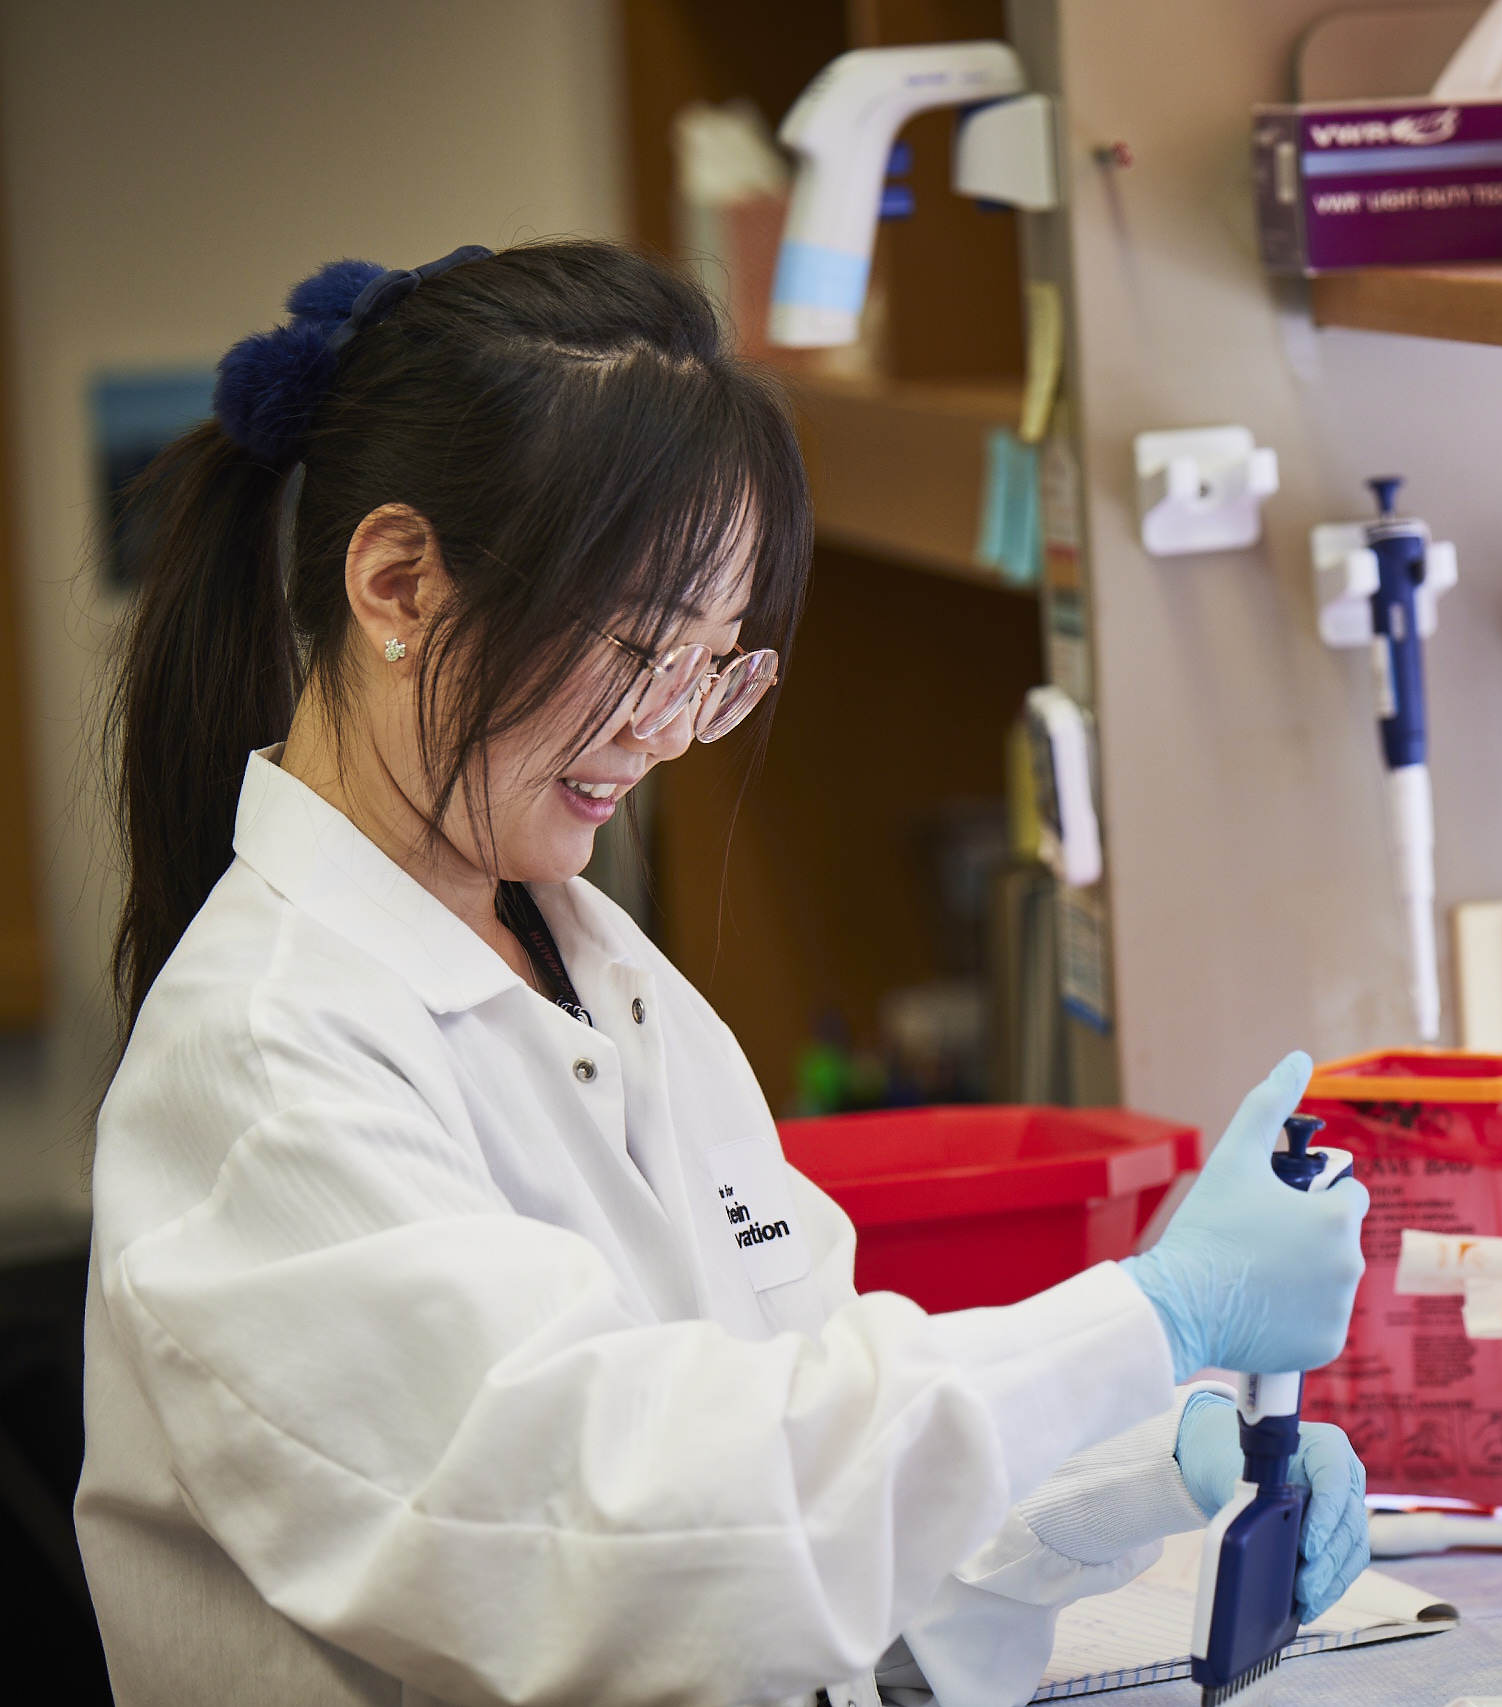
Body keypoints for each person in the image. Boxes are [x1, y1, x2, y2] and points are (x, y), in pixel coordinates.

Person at [75, 241, 1372, 1707]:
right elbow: (619, 1541)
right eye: (640, 650)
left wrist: (1144, 1454)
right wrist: (1148, 1318)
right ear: (398, 583)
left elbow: (802, 1487)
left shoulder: (603, 977)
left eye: (715, 668)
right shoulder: (263, 1064)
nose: (669, 730)